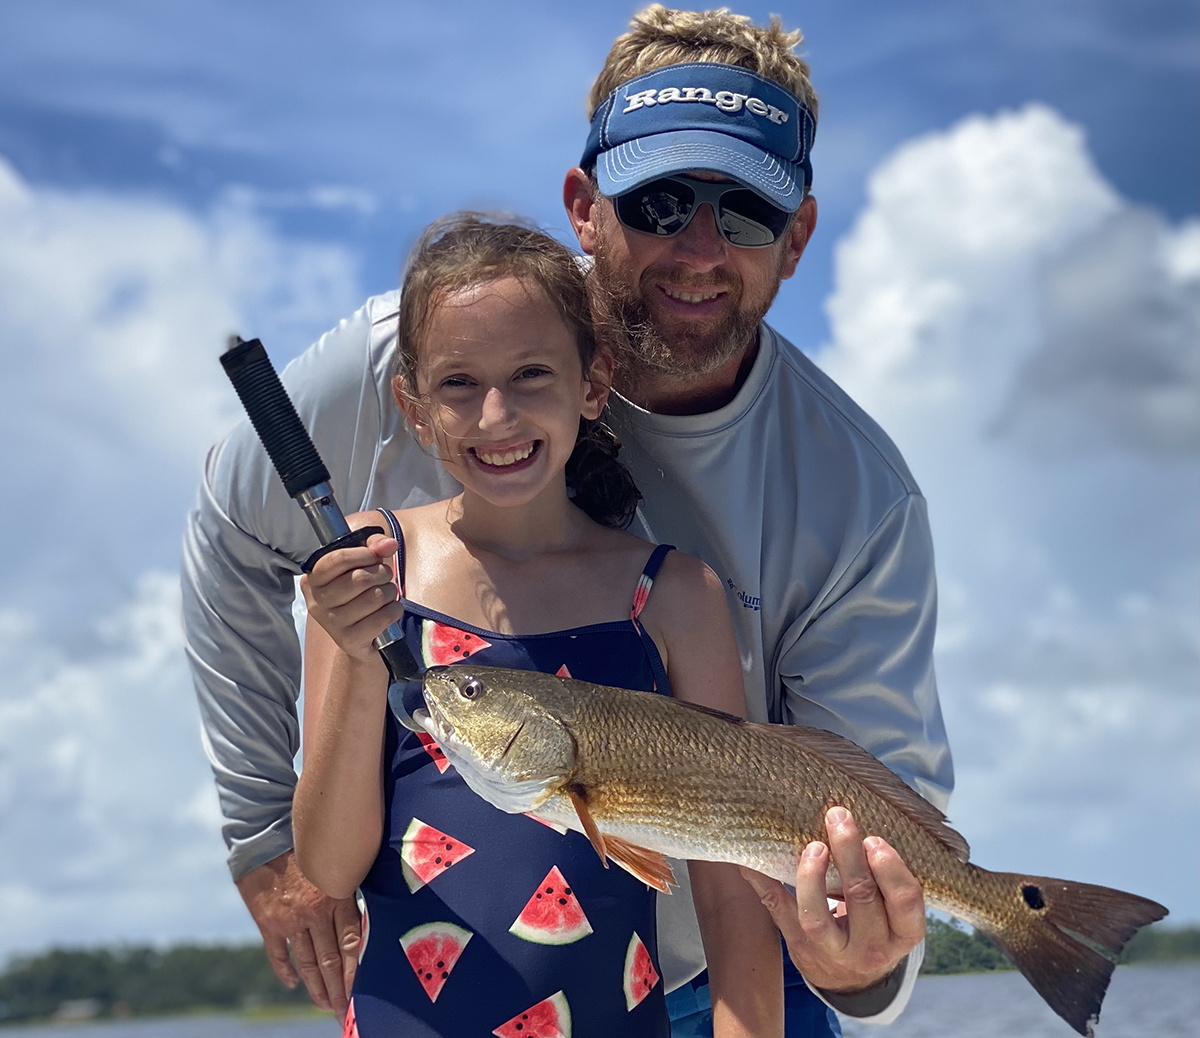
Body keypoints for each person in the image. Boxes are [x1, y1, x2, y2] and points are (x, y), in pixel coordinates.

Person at [182, 8, 953, 1037]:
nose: (697, 249)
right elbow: (231, 537)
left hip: (731, 969)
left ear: (799, 237)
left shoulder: (859, 497)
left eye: (747, 214)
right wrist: (259, 838)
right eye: (659, 201)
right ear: (584, 207)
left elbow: (866, 827)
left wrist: (861, 971)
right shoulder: (406, 344)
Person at [293, 214, 783, 1037]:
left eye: (529, 374)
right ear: (414, 408)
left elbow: (731, 891)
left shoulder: (674, 596)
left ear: (593, 385)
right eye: (458, 383)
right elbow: (330, 865)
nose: (496, 415)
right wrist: (353, 653)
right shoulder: (370, 565)